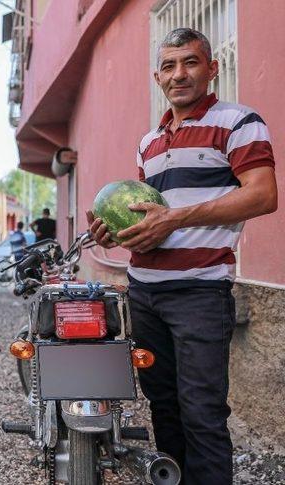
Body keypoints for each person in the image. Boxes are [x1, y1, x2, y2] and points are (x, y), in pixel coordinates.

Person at [87, 28, 277, 485]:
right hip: (145, 293)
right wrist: (115, 233)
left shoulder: (238, 122)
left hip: (200, 293)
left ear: (212, 69)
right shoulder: (149, 142)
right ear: (157, 77)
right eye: (169, 66)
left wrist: (172, 220)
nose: (180, 74)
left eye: (191, 62)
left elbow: (263, 195)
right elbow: (146, 217)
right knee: (163, 407)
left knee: (202, 412)